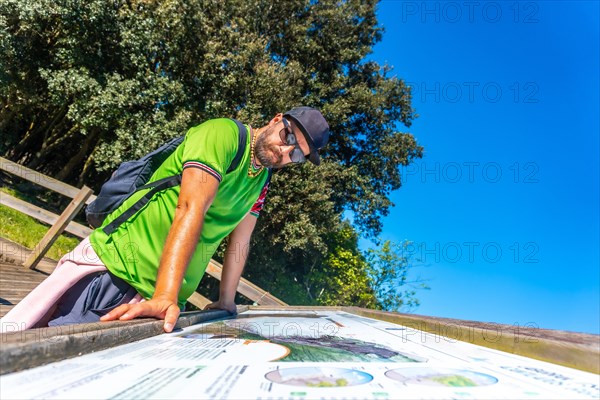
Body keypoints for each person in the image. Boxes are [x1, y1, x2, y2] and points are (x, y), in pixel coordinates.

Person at [0, 107, 329, 333]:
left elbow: (240, 242)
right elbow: (191, 208)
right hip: (119, 273)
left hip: (163, 300)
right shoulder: (225, 135)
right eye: (289, 138)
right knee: (45, 369)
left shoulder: (261, 182)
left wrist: (226, 299)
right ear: (275, 120)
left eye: (298, 155)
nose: (287, 153)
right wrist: (165, 296)